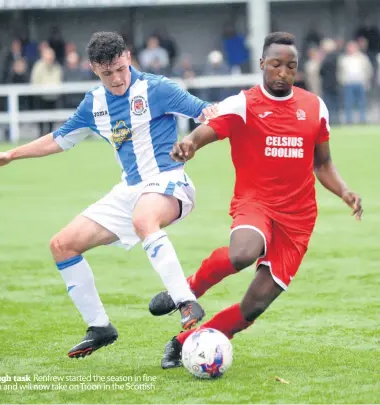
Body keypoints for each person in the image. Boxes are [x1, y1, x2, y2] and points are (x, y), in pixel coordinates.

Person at [0, 32, 218, 359]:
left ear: (128, 57)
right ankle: (100, 327)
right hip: (130, 189)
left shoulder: (157, 88)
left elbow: (206, 113)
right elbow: (59, 139)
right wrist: (11, 155)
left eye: (120, 68)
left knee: (144, 219)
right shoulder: (95, 103)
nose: (117, 79)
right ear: (93, 69)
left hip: (168, 179)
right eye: (108, 73)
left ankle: (185, 300)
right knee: (62, 245)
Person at [147, 32, 363, 369]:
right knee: (243, 253)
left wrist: (345, 191)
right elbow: (206, 131)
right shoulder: (244, 103)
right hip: (256, 202)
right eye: (275, 64)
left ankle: (183, 342)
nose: (282, 72)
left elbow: (322, 163)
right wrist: (189, 143)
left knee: (254, 306)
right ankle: (185, 292)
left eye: (290, 66)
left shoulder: (314, 107)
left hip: (299, 219)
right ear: (262, 63)